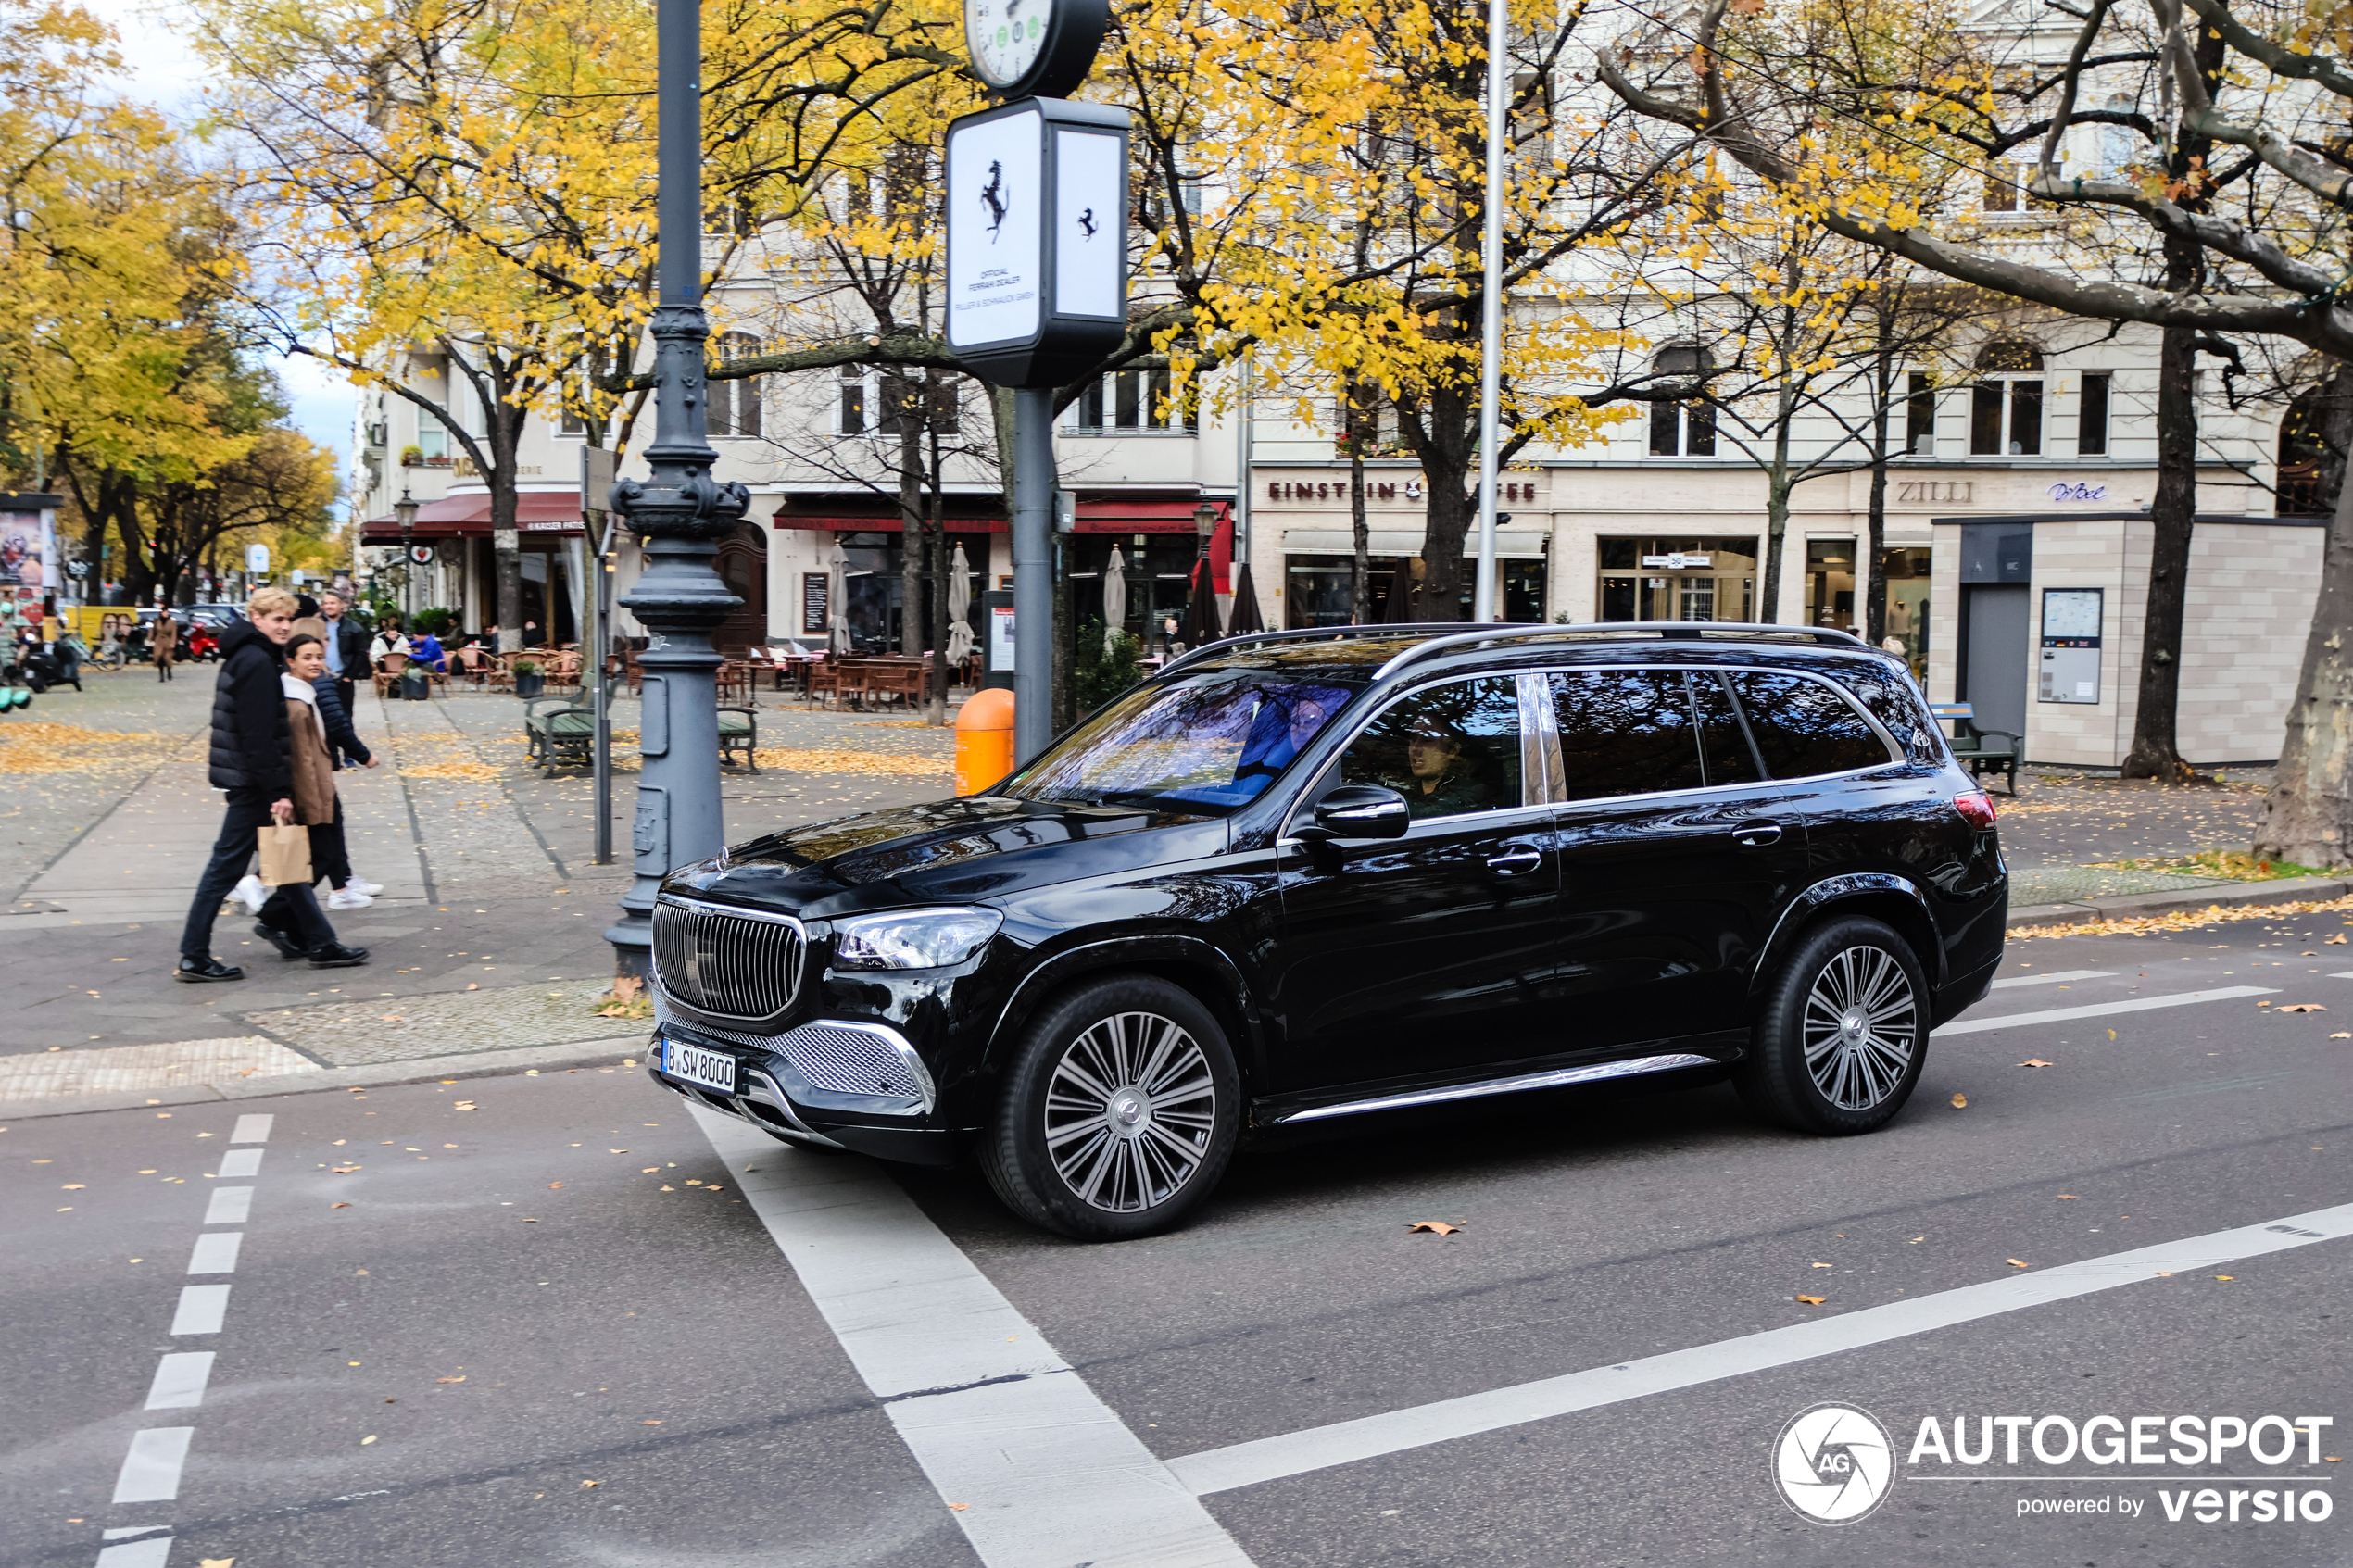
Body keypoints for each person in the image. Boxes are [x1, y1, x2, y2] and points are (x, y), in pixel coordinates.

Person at [176, 591, 367, 980]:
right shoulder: (256, 662)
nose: (283, 626)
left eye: (287, 619)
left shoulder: (249, 654)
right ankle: (193, 955)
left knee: (289, 864)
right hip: (254, 784)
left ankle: (321, 942)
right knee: (224, 869)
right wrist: (278, 791)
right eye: (275, 618)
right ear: (256, 617)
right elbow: (259, 735)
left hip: (251, 781)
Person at [1387, 719, 1493, 819]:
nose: (1415, 748)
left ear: (1452, 751)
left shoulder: (1473, 791)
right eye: (1413, 740)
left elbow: (1430, 815)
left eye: (1427, 740)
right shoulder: (1401, 783)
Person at [318, 588, 368, 717]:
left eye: (332, 603)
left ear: (342, 605)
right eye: (326, 603)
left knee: (344, 716)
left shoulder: (353, 627)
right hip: (320, 677)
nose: (329, 606)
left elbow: (360, 653)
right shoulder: (317, 624)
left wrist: (349, 677)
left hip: (342, 680)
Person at [152, 608, 178, 682]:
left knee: (167, 658)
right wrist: (150, 639)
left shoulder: (172, 622)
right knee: (158, 656)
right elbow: (153, 631)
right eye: (164, 612)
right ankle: (161, 675)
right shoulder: (157, 621)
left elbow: (174, 633)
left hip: (168, 641)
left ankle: (169, 671)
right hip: (159, 641)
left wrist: (173, 643)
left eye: (166, 612)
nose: (165, 613)